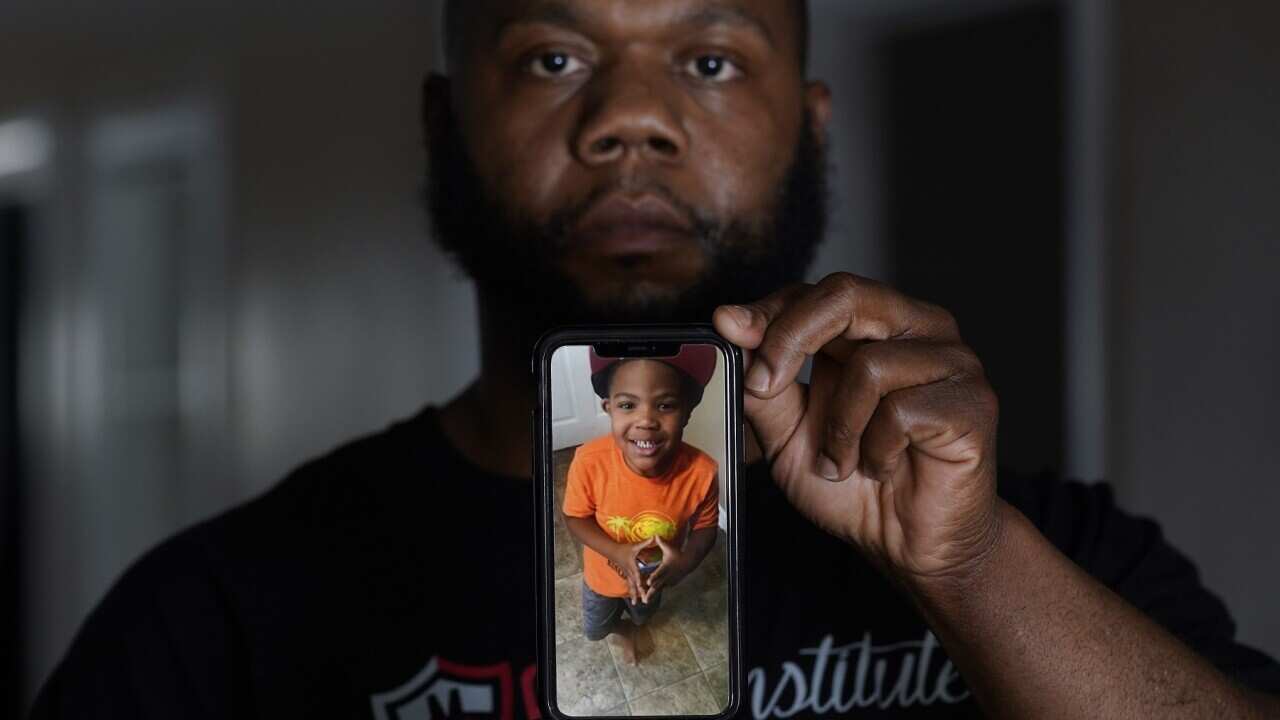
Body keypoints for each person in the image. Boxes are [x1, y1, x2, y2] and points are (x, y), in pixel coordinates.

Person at [31, 0, 1280, 717]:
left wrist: (970, 570)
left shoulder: (1044, 555)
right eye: (553, 59)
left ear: (808, 123)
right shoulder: (216, 620)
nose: (630, 118)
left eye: (710, 59)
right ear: (442, 124)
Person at [562, 346, 721, 665]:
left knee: (643, 615)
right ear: (609, 409)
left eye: (665, 405)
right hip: (602, 578)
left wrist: (686, 561)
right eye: (627, 405)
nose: (646, 420)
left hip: (654, 578)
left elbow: (706, 527)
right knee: (595, 629)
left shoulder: (703, 472)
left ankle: (634, 630)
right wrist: (617, 552)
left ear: (687, 412)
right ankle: (621, 631)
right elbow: (574, 518)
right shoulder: (589, 461)